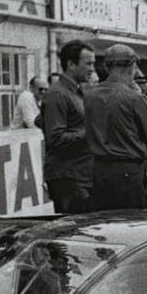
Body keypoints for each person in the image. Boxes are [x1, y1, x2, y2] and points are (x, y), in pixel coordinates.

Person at [84, 45, 147, 211]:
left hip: (99, 171)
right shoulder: (134, 98)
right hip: (129, 173)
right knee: (132, 227)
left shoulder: (90, 96)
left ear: (106, 67)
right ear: (132, 67)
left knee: (105, 225)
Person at [42, 40, 95, 213]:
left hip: (80, 175)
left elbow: (40, 119)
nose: (92, 69)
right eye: (88, 63)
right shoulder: (57, 94)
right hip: (68, 179)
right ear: (71, 64)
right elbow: (55, 138)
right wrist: (92, 133)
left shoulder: (77, 92)